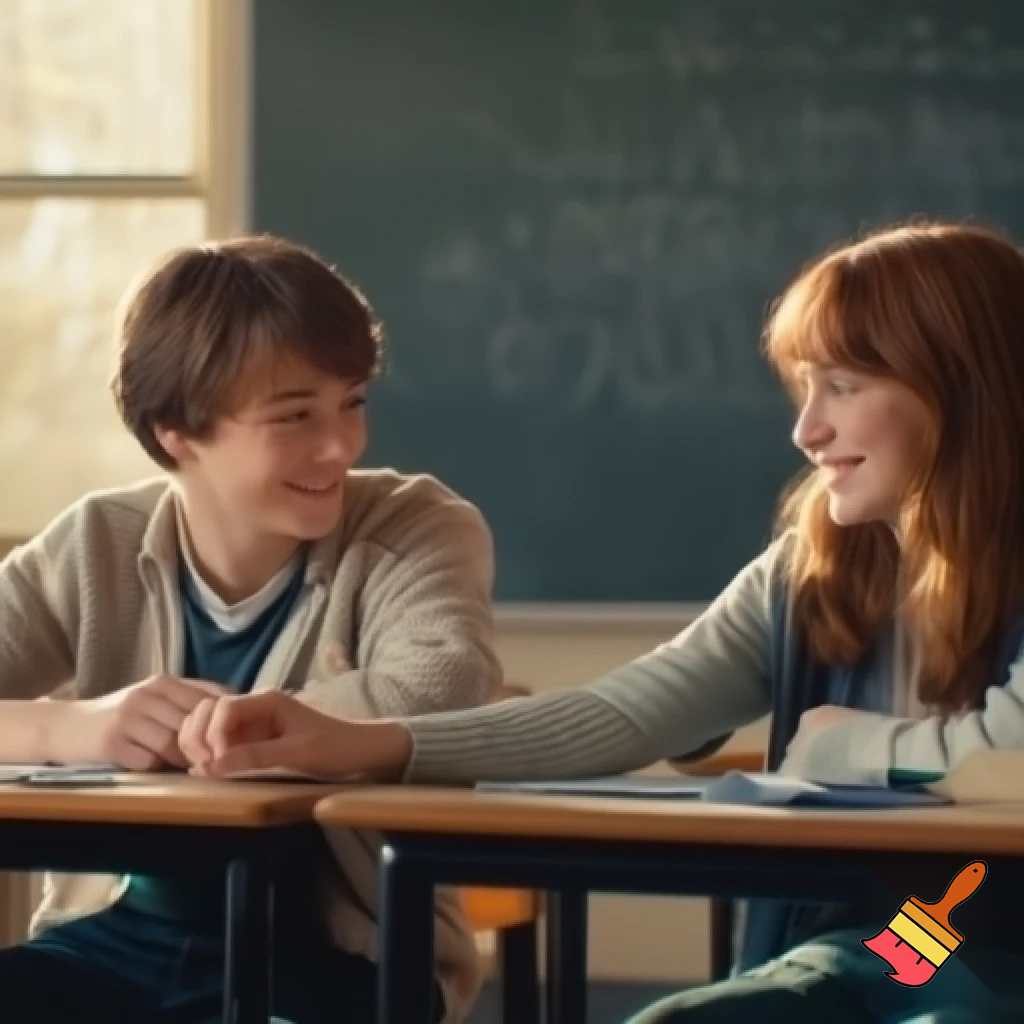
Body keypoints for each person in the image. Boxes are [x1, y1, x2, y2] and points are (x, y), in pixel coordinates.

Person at [181, 221, 1024, 1023]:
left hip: (990, 949)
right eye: (806, 389)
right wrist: (357, 742)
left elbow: (1012, 761)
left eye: (842, 386)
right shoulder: (818, 571)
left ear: (961, 391)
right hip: (890, 945)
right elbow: (621, 715)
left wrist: (838, 746)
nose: (807, 430)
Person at [0, 236, 502, 1024]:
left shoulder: (418, 525)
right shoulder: (95, 542)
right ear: (176, 429)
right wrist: (75, 725)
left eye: (352, 402)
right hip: (112, 941)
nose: (342, 445)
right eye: (295, 415)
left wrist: (221, 730)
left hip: (341, 956)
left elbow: (440, 692)